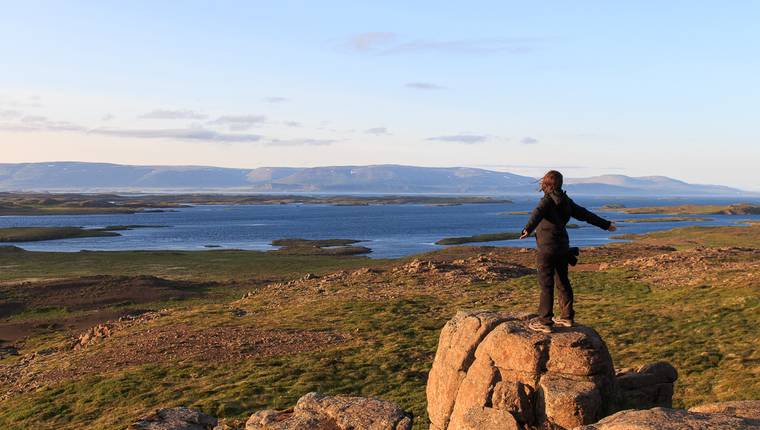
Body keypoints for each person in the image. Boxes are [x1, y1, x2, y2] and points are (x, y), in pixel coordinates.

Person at [519, 170, 616, 333]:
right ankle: (567, 317)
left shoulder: (547, 201)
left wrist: (527, 229)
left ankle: (545, 321)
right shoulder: (566, 201)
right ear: (560, 183)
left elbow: (537, 214)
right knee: (563, 282)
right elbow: (585, 214)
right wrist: (606, 225)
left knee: (546, 285)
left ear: (546, 184)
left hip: (546, 249)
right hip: (563, 247)